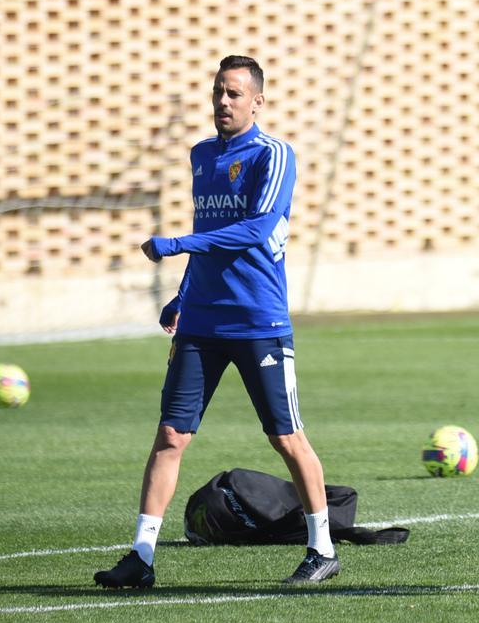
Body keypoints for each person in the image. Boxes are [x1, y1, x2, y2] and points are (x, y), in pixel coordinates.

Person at [94, 55, 340, 587]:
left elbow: (257, 229)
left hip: (259, 321)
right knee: (170, 437)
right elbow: (212, 227)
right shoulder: (202, 155)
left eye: (233, 94)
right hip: (201, 323)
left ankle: (321, 548)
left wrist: (176, 246)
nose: (223, 103)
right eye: (217, 92)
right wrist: (183, 294)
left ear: (257, 101)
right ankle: (141, 558)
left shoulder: (273, 154)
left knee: (287, 438)